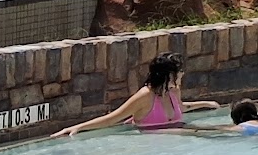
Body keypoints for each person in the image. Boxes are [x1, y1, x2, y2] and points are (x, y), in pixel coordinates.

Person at [54, 55, 218, 136]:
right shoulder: (145, 96)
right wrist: (77, 127)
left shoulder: (173, 91)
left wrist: (206, 103)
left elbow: (181, 107)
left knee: (217, 130)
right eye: (179, 71)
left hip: (175, 135)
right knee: (205, 133)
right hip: (153, 139)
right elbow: (113, 118)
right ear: (168, 75)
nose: (182, 73)